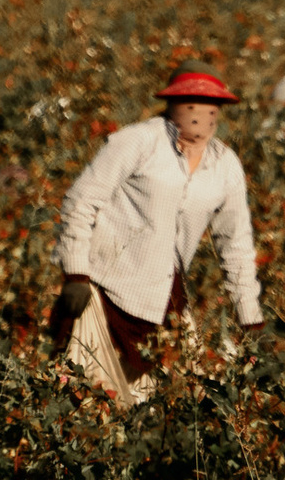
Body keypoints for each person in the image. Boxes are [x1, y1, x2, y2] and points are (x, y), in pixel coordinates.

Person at [53, 64, 265, 398]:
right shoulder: (137, 142)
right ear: (172, 105)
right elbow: (82, 200)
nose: (199, 114)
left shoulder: (225, 166)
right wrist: (76, 273)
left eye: (209, 105)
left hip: (165, 301)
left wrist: (249, 318)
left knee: (173, 407)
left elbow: (236, 245)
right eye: (190, 104)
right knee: (84, 402)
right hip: (104, 290)